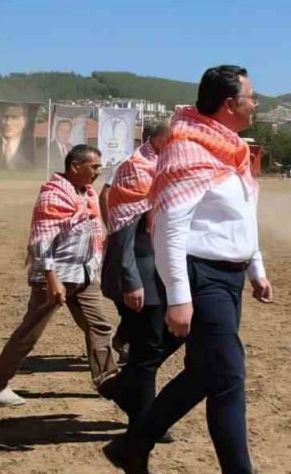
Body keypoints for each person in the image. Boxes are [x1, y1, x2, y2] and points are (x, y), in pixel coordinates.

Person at [106, 66, 273, 474]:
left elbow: (242, 218)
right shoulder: (189, 149)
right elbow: (170, 229)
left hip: (228, 277)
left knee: (204, 374)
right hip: (202, 277)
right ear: (230, 104)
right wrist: (179, 299)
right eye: (252, 96)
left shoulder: (228, 148)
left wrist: (256, 268)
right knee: (229, 376)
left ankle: (132, 446)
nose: (257, 103)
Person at [0, 144, 120, 406]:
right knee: (30, 333)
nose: (97, 173)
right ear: (75, 166)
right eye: (94, 167)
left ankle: (108, 381)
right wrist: (52, 279)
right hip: (57, 276)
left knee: (100, 326)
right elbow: (41, 240)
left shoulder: (86, 193)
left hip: (84, 274)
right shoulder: (53, 195)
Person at [101, 120, 180, 437]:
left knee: (174, 335)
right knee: (147, 348)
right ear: (160, 139)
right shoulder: (137, 168)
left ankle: (122, 385)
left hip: (158, 271)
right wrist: (131, 280)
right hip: (137, 271)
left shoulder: (163, 167)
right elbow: (123, 231)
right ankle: (144, 422)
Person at [0, 103, 35, 171]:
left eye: (14, 117)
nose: (8, 123)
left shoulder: (35, 150)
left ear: (24, 121)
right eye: (5, 117)